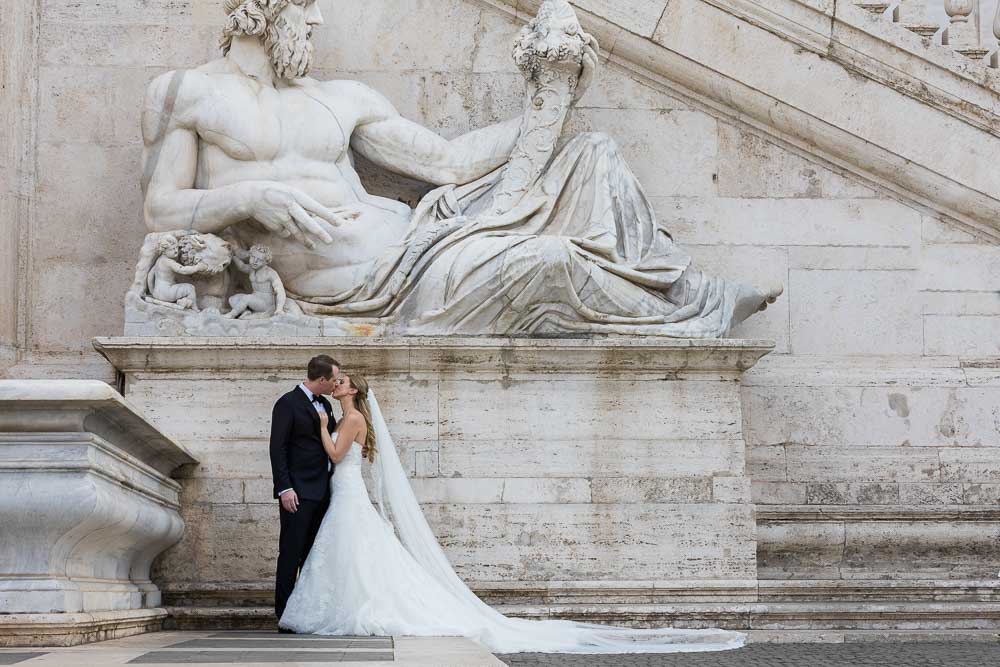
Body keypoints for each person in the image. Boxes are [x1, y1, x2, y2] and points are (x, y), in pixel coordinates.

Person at [278, 374, 745, 654]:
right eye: (333, 381)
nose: (335, 384)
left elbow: (338, 456)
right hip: (344, 491)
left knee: (358, 548)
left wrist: (322, 427)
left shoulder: (350, 417)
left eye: (340, 381)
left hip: (346, 487)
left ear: (352, 389)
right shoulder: (349, 415)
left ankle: (353, 605)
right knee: (357, 551)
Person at [269, 354, 340, 624]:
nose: (336, 385)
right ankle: (285, 614)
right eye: (333, 380)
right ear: (321, 379)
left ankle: (306, 612)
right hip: (297, 492)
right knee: (291, 552)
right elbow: (278, 449)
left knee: (312, 555)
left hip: (323, 491)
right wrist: (285, 488)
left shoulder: (324, 404)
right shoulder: (287, 404)